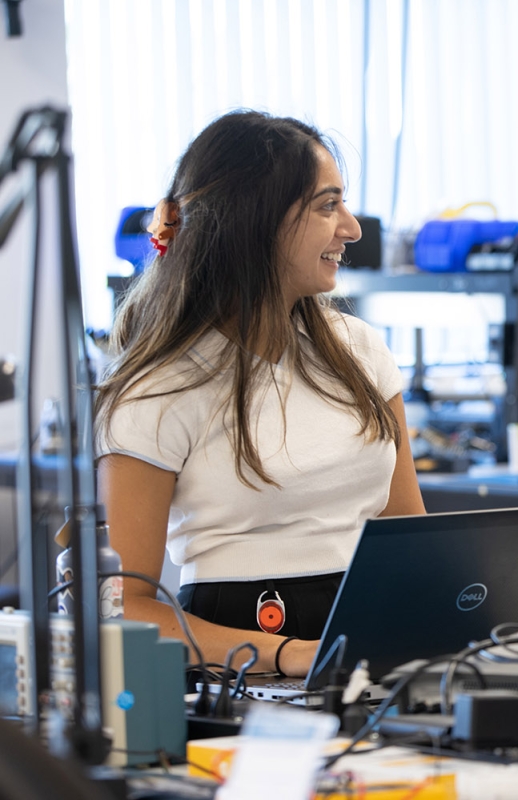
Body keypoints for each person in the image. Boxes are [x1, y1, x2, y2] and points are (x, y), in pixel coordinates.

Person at [95, 110, 426, 678]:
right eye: (328, 206)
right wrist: (289, 654)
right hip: (241, 661)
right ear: (258, 221)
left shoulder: (361, 351)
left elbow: (411, 542)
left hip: (369, 648)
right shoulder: (159, 390)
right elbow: (125, 603)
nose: (352, 228)